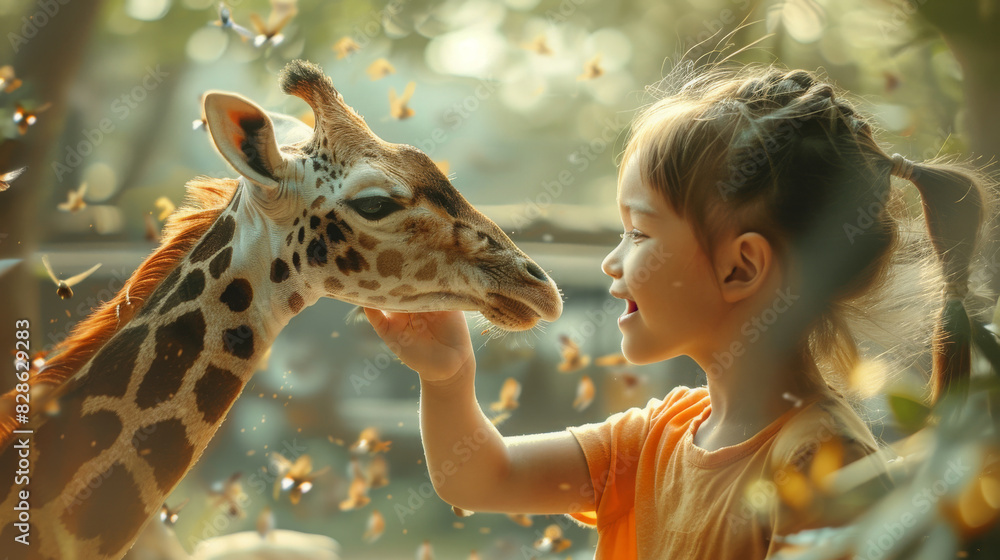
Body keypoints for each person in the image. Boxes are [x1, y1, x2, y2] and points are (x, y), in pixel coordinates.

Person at [362, 61, 996, 559]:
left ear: (739, 268)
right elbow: (482, 478)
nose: (612, 262)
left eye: (638, 233)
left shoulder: (821, 468)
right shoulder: (661, 433)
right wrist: (448, 378)